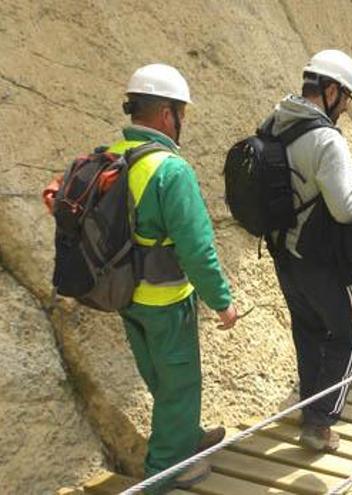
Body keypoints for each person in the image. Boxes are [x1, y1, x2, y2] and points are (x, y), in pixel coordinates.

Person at [82, 64, 238, 492]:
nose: (182, 121)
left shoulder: (110, 157)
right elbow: (197, 248)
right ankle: (164, 473)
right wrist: (221, 301)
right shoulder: (171, 171)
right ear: (168, 114)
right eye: (181, 113)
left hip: (124, 295)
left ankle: (185, 434)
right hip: (166, 302)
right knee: (181, 382)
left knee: (160, 377)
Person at [262, 49, 352, 452]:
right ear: (332, 90)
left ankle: (310, 409)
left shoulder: (272, 123)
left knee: (307, 331)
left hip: (283, 254)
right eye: (347, 100)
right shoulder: (326, 139)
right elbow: (345, 208)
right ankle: (320, 424)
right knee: (348, 336)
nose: (345, 109)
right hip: (322, 259)